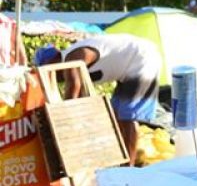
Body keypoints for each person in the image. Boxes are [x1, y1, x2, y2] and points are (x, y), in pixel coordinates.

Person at [35, 34, 163, 167]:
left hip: (142, 58)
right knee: (116, 116)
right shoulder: (70, 59)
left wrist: (63, 121)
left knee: (127, 118)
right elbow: (80, 97)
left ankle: (128, 168)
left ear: (51, 62)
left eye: (47, 70)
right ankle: (121, 162)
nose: (51, 76)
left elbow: (74, 86)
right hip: (128, 66)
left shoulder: (71, 59)